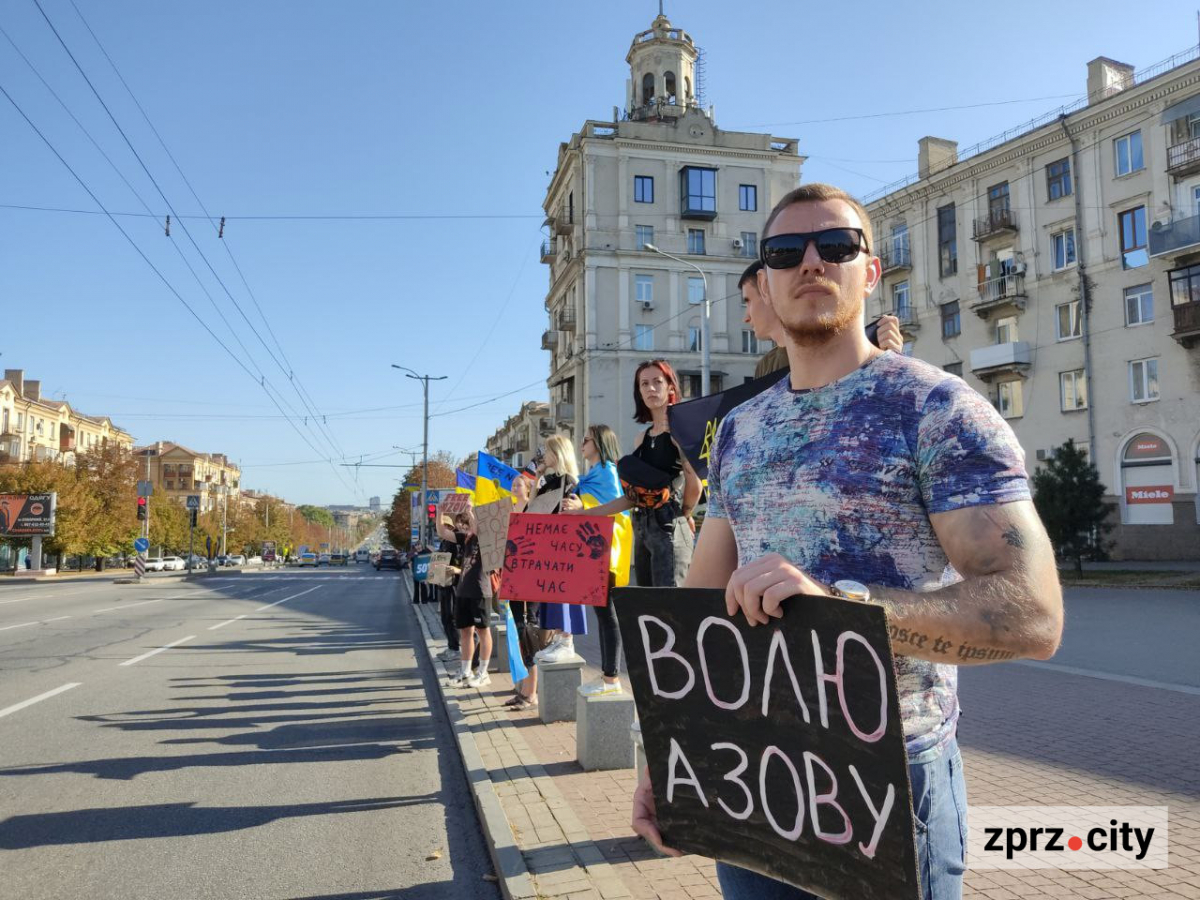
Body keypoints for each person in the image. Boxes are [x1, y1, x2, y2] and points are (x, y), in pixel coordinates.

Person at [631, 183, 1064, 900]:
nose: (810, 263)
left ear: (871, 273)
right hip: (752, 772)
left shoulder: (938, 409)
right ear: (765, 282)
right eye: (784, 251)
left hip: (887, 783)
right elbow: (701, 601)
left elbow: (1033, 615)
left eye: (835, 246)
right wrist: (663, 750)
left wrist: (843, 606)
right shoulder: (739, 432)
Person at [575, 360, 701, 588]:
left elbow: (695, 483)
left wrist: (684, 515)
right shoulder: (641, 439)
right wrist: (585, 515)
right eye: (644, 384)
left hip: (669, 526)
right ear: (639, 391)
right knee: (647, 608)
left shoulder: (681, 431)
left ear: (670, 387)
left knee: (670, 608)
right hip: (642, 527)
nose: (651, 388)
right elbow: (632, 498)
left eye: (657, 382)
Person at [740, 259, 905, 378]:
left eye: (748, 301)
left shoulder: (831, 348)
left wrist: (890, 361)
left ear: (766, 290)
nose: (746, 317)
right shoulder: (765, 365)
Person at [561, 424, 629, 695]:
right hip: (594, 551)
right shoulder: (591, 476)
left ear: (599, 444)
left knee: (607, 614)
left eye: (586, 440)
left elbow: (618, 513)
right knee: (602, 613)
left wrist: (582, 508)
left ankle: (611, 678)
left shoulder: (608, 473)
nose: (581, 445)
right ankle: (607, 675)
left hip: (608, 551)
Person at [531, 434, 585, 665]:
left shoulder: (570, 481)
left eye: (548, 450)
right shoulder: (552, 481)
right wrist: (536, 478)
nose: (544, 455)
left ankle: (567, 641)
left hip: (566, 547)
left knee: (564, 595)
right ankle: (559, 640)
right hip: (550, 546)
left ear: (558, 453)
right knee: (553, 595)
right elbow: (532, 507)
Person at [446, 506, 495, 689]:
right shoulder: (464, 540)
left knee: (483, 631)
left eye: (464, 525)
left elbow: (478, 528)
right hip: (463, 592)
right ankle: (465, 672)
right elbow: (444, 532)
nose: (461, 528)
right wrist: (441, 513)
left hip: (480, 591)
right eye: (459, 526)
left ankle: (483, 672)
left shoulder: (483, 538)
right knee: (465, 632)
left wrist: (472, 511)